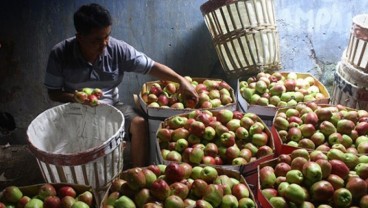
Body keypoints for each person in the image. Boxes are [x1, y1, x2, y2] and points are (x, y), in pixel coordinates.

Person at [44, 3, 198, 167]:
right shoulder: (60, 53)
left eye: (107, 36)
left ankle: (138, 174)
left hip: (113, 107)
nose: (104, 44)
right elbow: (53, 92)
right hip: (76, 110)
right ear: (80, 37)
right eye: (96, 40)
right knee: (69, 142)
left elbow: (151, 66)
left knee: (139, 123)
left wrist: (181, 80)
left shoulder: (116, 48)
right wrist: (75, 97)